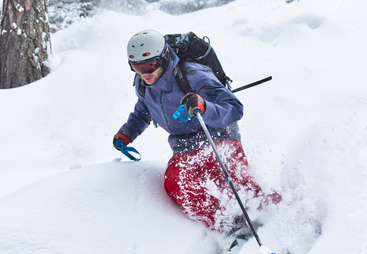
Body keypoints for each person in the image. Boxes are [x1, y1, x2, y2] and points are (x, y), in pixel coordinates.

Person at [113, 30, 276, 236]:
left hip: (217, 136)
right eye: (137, 67)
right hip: (184, 146)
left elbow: (234, 108)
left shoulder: (193, 75)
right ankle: (229, 225)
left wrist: (205, 107)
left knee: (238, 184)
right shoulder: (144, 85)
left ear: (162, 57)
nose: (144, 72)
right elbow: (144, 110)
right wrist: (127, 133)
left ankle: (278, 213)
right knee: (176, 183)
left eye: (150, 65)